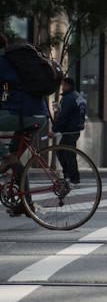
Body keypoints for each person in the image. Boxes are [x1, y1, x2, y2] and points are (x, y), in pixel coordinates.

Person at [0, 32, 48, 216]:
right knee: (17, 161)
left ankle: (6, 157)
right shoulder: (16, 61)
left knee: (11, 159)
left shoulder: (3, 61)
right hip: (39, 115)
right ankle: (26, 204)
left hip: (23, 114)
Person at [51, 77, 87, 186]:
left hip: (69, 130)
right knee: (65, 152)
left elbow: (63, 116)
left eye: (63, 85)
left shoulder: (68, 98)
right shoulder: (78, 97)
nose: (62, 87)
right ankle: (70, 176)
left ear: (68, 85)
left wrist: (54, 129)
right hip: (75, 129)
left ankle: (72, 178)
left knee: (67, 153)